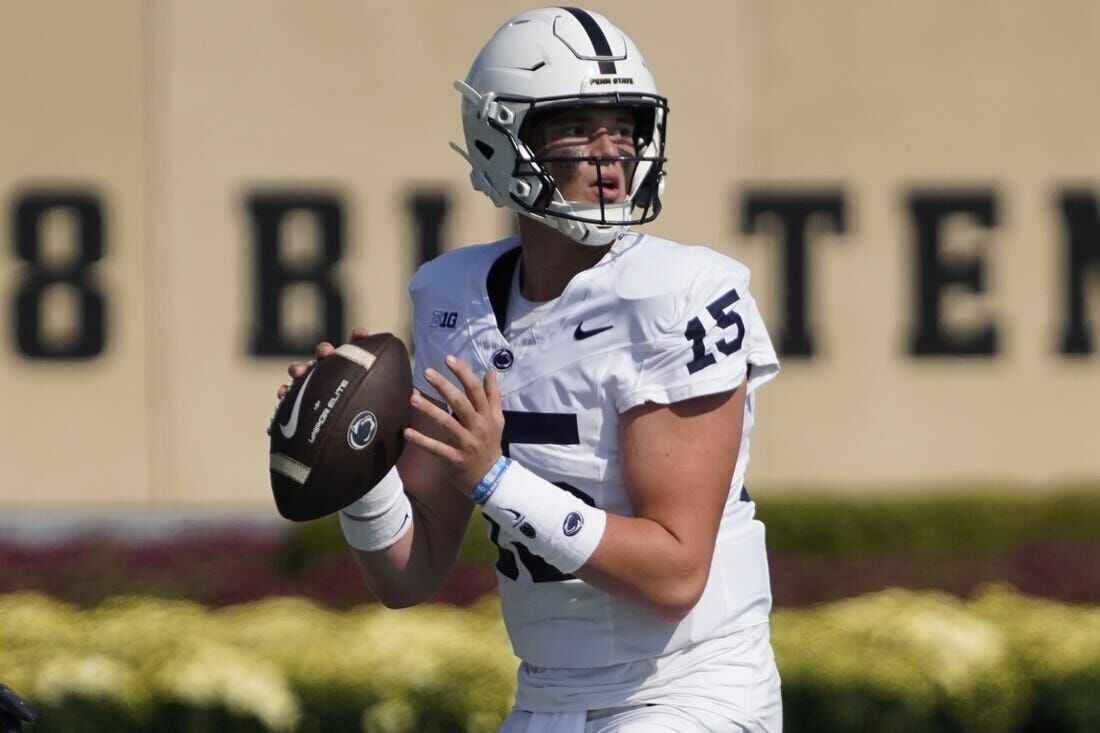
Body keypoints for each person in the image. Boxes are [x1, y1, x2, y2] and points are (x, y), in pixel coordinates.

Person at [279, 8, 782, 732]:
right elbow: (409, 572)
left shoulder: (681, 294)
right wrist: (359, 469)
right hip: (548, 693)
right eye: (577, 127)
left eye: (626, 127)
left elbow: (676, 572)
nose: (610, 154)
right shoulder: (452, 299)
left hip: (687, 689)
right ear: (500, 135)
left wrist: (495, 479)